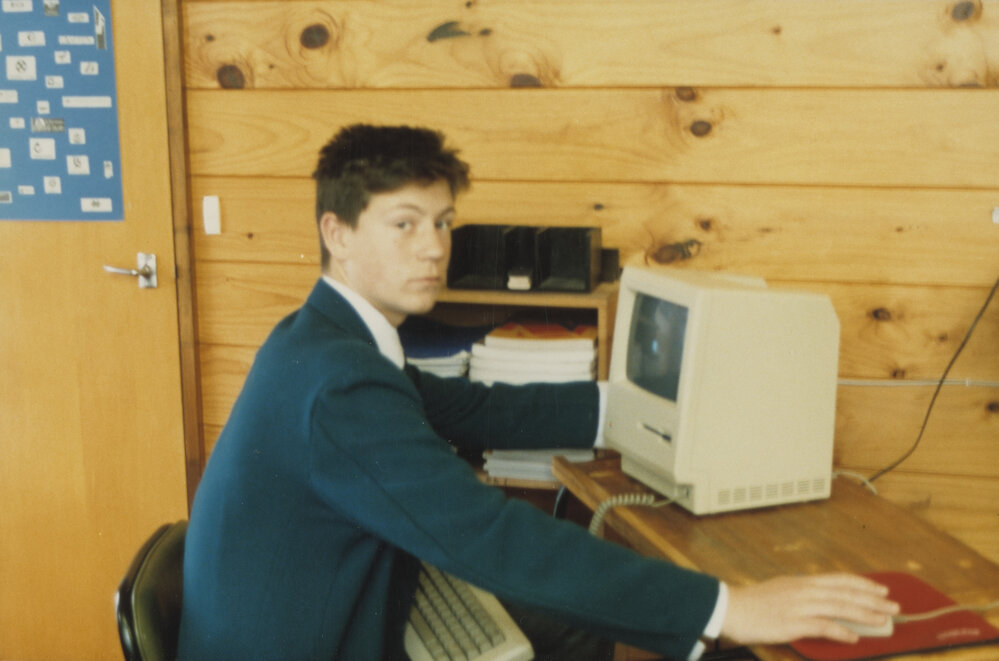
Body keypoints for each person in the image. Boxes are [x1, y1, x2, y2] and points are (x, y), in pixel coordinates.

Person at [177, 124, 898, 661]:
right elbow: (485, 535)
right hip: (313, 642)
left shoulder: (319, 337)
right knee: (582, 613)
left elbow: (471, 408)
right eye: (404, 225)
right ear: (336, 232)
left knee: (571, 624)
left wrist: (627, 409)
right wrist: (726, 605)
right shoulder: (339, 384)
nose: (433, 247)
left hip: (305, 617)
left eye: (442, 223)